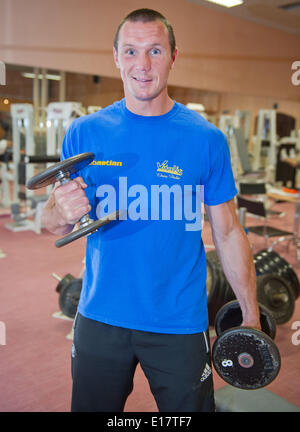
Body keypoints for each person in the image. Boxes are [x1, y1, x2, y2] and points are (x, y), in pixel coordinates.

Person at [42, 8, 260, 412]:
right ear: (115, 56)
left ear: (173, 57)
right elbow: (52, 223)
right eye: (130, 51)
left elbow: (228, 233)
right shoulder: (84, 132)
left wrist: (250, 313)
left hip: (178, 321)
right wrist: (57, 209)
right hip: (100, 315)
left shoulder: (206, 139)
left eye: (155, 51)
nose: (142, 65)